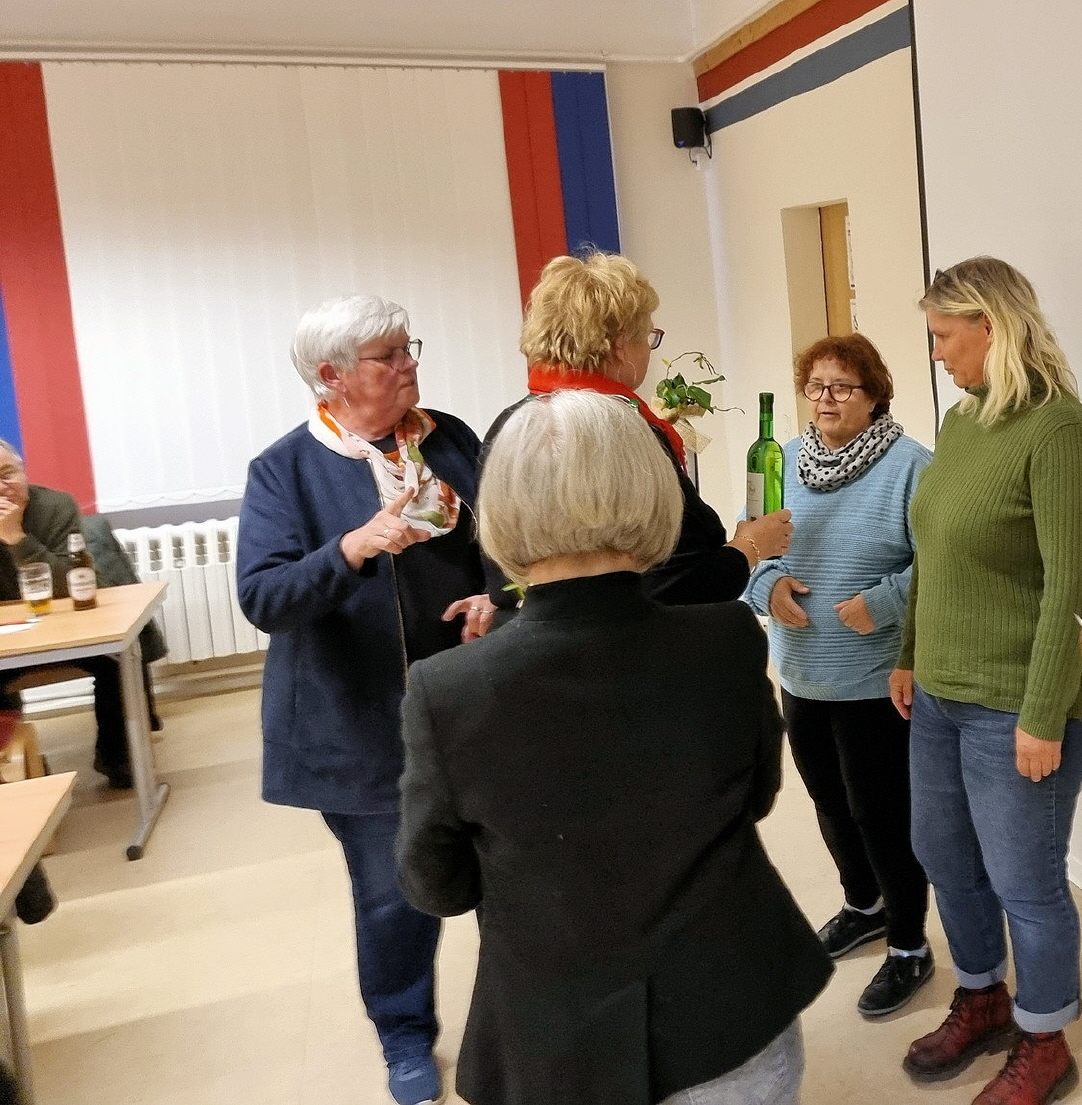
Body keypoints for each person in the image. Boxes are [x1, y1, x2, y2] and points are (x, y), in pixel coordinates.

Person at [398, 390, 832, 1105]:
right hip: (730, 1012)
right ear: (657, 494)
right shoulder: (726, 640)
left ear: (501, 508)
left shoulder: (448, 692)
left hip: (559, 1037)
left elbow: (436, 885)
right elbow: (755, 797)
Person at [238, 296, 496, 1105]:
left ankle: (516, 1014)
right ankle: (404, 1033)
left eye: (407, 346)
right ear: (333, 375)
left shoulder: (449, 439)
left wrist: (498, 594)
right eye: (389, 355)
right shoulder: (285, 469)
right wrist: (350, 548)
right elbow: (263, 597)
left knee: (508, 866)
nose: (410, 363)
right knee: (394, 895)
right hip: (357, 724)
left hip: (471, 705)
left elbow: (506, 535)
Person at [892, 258, 1082, 1105]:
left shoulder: (1060, 432)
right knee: (944, 855)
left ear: (992, 326)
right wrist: (909, 651)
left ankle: (1044, 1038)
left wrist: (1046, 712)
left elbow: (1073, 589)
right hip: (939, 695)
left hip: (1015, 707)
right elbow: (934, 549)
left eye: (945, 336)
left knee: (1026, 882)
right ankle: (982, 994)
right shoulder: (962, 421)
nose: (938, 353)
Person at [742, 334, 935, 1019]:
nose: (825, 398)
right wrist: (765, 586)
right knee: (828, 801)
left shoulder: (912, 467)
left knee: (883, 814)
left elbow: (940, 562)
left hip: (874, 679)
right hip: (800, 671)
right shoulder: (783, 460)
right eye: (816, 385)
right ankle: (864, 905)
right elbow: (749, 537)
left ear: (875, 395)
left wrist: (884, 603)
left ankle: (910, 944)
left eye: (842, 387)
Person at [486, 252, 791, 608]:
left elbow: (500, 579)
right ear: (619, 347)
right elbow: (680, 582)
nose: (649, 348)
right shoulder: (626, 434)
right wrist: (749, 546)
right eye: (648, 337)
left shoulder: (510, 426)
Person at [0, 438, 158, 790]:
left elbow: (71, 583)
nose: (2, 487)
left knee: (118, 659)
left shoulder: (55, 506)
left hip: (67, 624)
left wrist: (16, 538)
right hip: (9, 637)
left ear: (24, 471)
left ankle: (118, 758)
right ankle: (19, 760)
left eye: (7, 473)